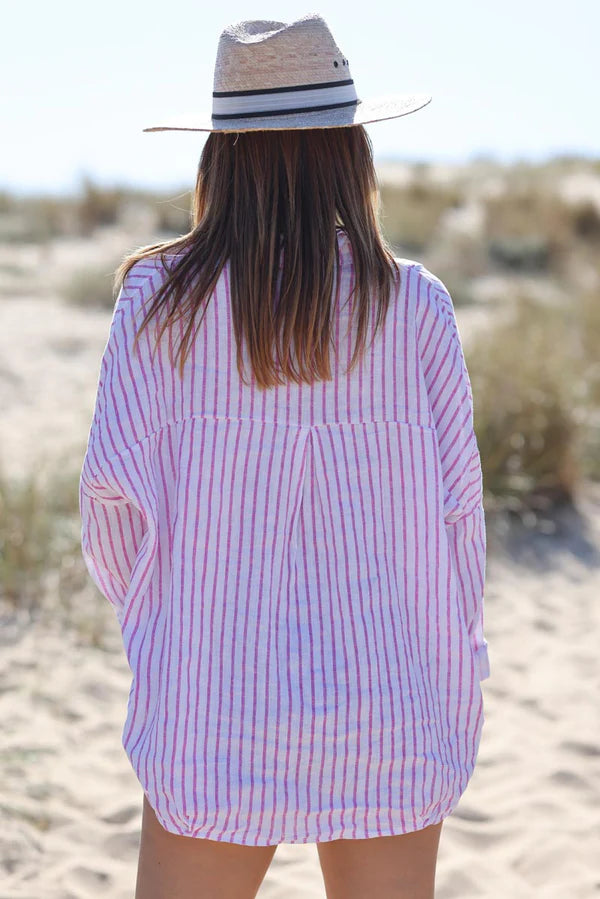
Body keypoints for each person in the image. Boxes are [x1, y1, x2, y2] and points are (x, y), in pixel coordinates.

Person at [79, 12, 490, 899]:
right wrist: (461, 671)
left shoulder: (158, 302)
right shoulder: (416, 305)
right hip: (393, 691)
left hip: (212, 693)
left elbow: (112, 509)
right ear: (352, 152)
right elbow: (462, 528)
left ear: (220, 157)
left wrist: (172, 622)